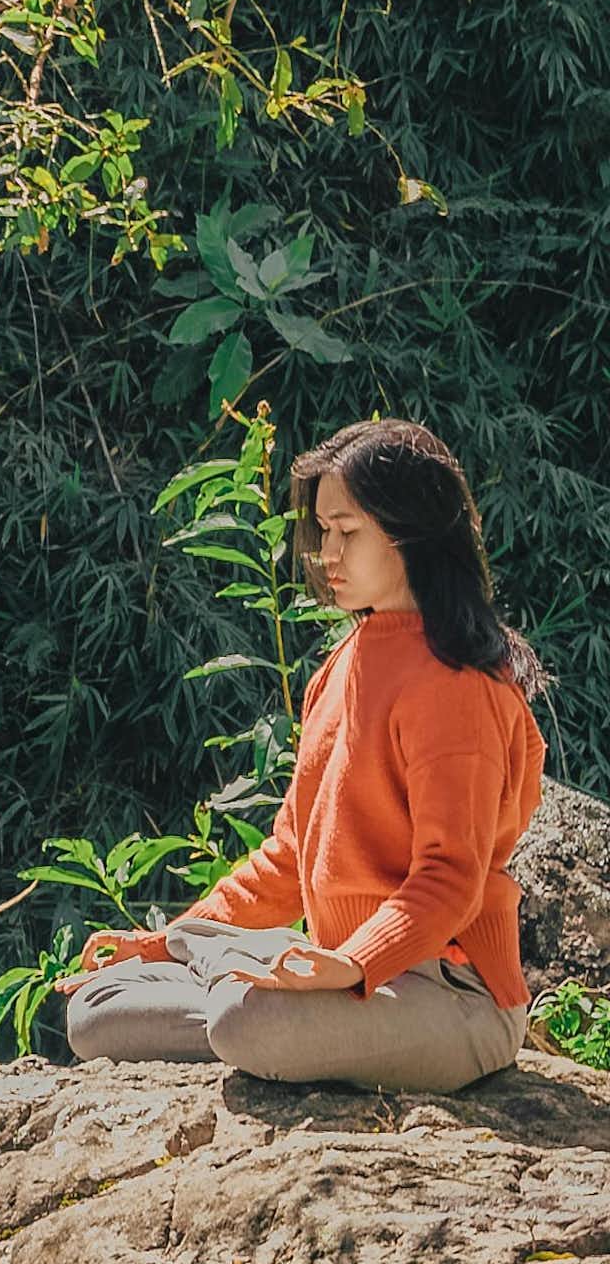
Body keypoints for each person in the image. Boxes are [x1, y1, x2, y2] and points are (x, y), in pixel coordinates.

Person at [61, 417, 548, 1095]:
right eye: (322, 532)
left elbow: (449, 879)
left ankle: (257, 1009)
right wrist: (169, 937)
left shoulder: (456, 688)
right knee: (96, 1009)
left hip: (453, 995)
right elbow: (289, 858)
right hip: (336, 975)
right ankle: (249, 998)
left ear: (410, 531)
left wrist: (350, 964)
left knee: (242, 1018)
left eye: (347, 532)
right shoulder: (342, 666)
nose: (326, 554)